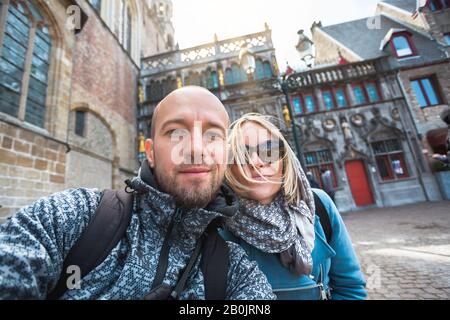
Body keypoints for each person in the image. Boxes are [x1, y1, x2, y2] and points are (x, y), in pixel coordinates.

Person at [0, 87, 275, 300]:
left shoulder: (235, 271)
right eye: (176, 133)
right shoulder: (78, 217)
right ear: (151, 153)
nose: (195, 148)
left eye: (213, 135)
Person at [221, 113, 367, 300]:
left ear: (284, 159)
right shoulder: (217, 223)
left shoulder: (320, 205)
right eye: (242, 154)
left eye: (269, 150)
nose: (256, 162)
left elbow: (350, 288)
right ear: (229, 166)